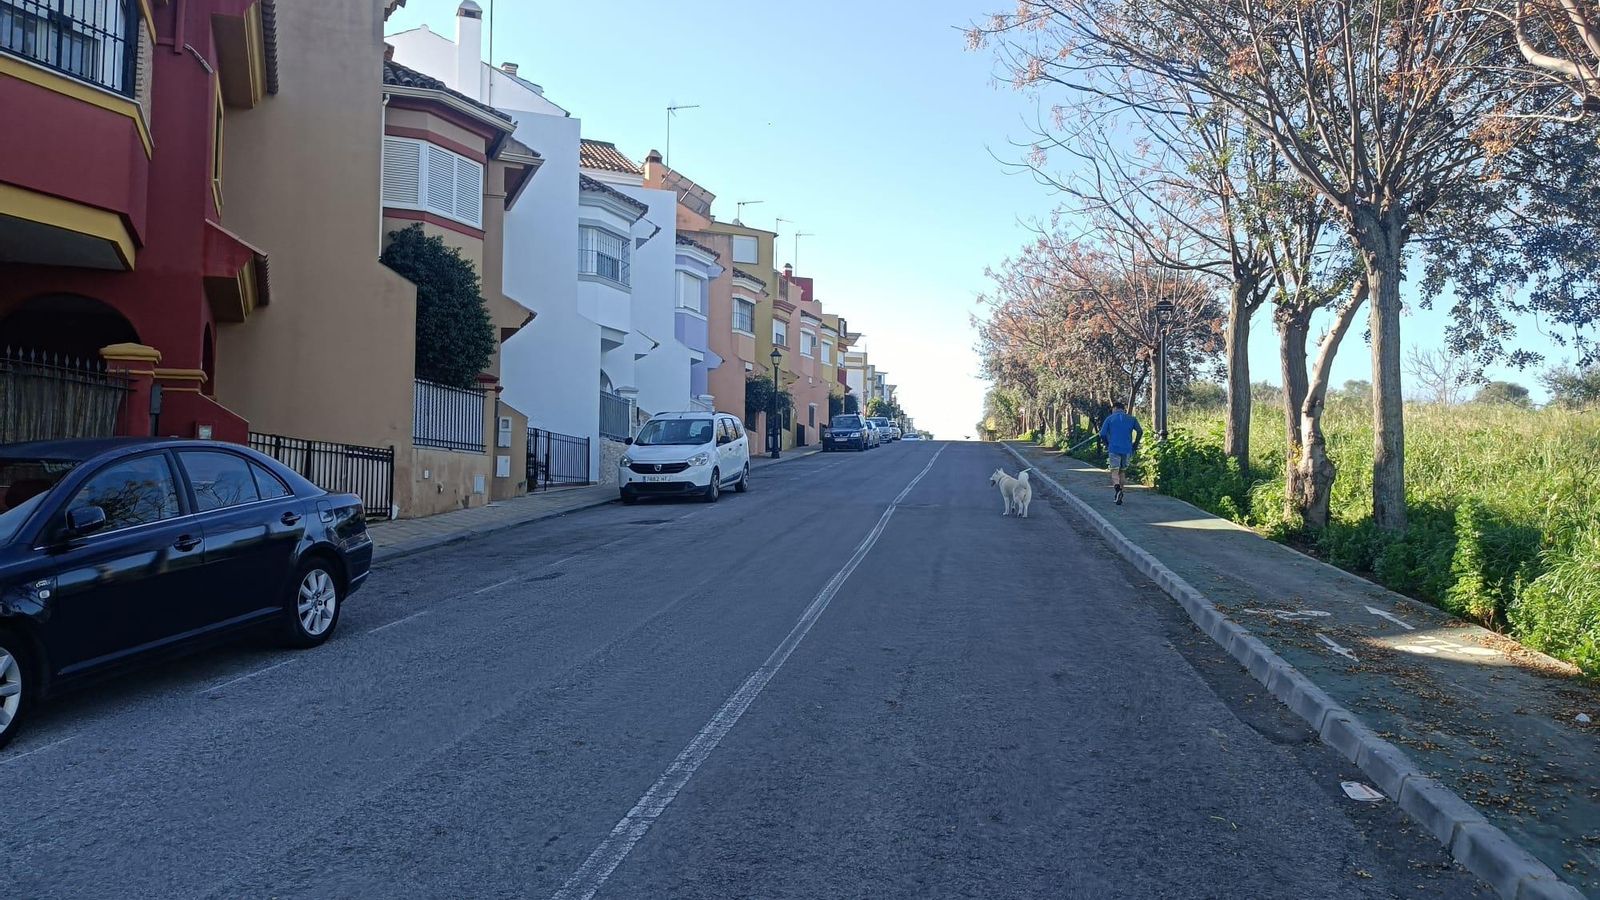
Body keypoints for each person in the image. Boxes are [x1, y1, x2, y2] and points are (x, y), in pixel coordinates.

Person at [1097, 400, 1143, 505]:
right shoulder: (1132, 419)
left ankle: (1117, 490)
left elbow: (1102, 434)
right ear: (1123, 409)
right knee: (1122, 471)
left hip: (1114, 448)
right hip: (1127, 449)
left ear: (1115, 408)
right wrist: (1135, 445)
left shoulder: (1109, 419)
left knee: (1114, 471)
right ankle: (1120, 493)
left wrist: (1107, 444)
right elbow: (1140, 431)